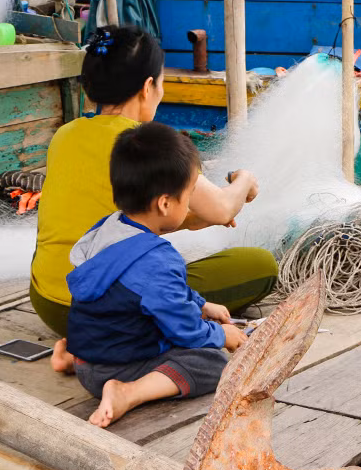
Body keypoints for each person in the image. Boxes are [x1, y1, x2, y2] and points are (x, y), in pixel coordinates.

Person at [30, 25, 277, 339]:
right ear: (148, 87)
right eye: (161, 83)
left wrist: (190, 220)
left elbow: (106, 221)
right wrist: (245, 180)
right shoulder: (147, 145)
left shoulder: (64, 135)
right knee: (260, 265)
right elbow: (223, 209)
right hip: (105, 314)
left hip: (48, 302)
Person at [61, 122, 246, 428]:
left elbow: (152, 292)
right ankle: (128, 393)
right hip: (114, 370)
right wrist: (221, 335)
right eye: (188, 197)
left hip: (88, 360)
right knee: (211, 362)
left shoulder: (109, 227)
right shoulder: (157, 260)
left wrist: (201, 304)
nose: (190, 205)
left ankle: (71, 358)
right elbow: (185, 330)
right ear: (165, 203)